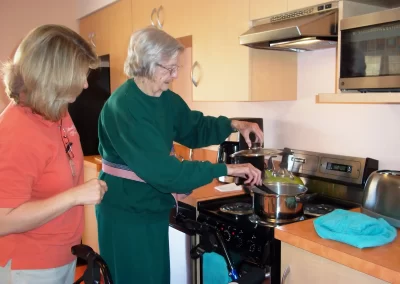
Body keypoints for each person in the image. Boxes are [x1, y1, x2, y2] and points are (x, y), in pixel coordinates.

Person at [96, 26, 264, 284]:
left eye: (177, 68)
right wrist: (226, 169)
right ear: (146, 64)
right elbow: (166, 173)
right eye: (169, 68)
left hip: (151, 208)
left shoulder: (163, 98)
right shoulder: (124, 108)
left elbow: (194, 127)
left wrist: (234, 125)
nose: (174, 75)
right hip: (126, 215)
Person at [0, 24, 108, 284]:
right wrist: (74, 196)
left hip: (62, 254)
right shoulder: (16, 132)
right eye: (79, 76)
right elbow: (3, 220)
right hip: (29, 264)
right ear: (53, 77)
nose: (84, 84)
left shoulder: (56, 109)